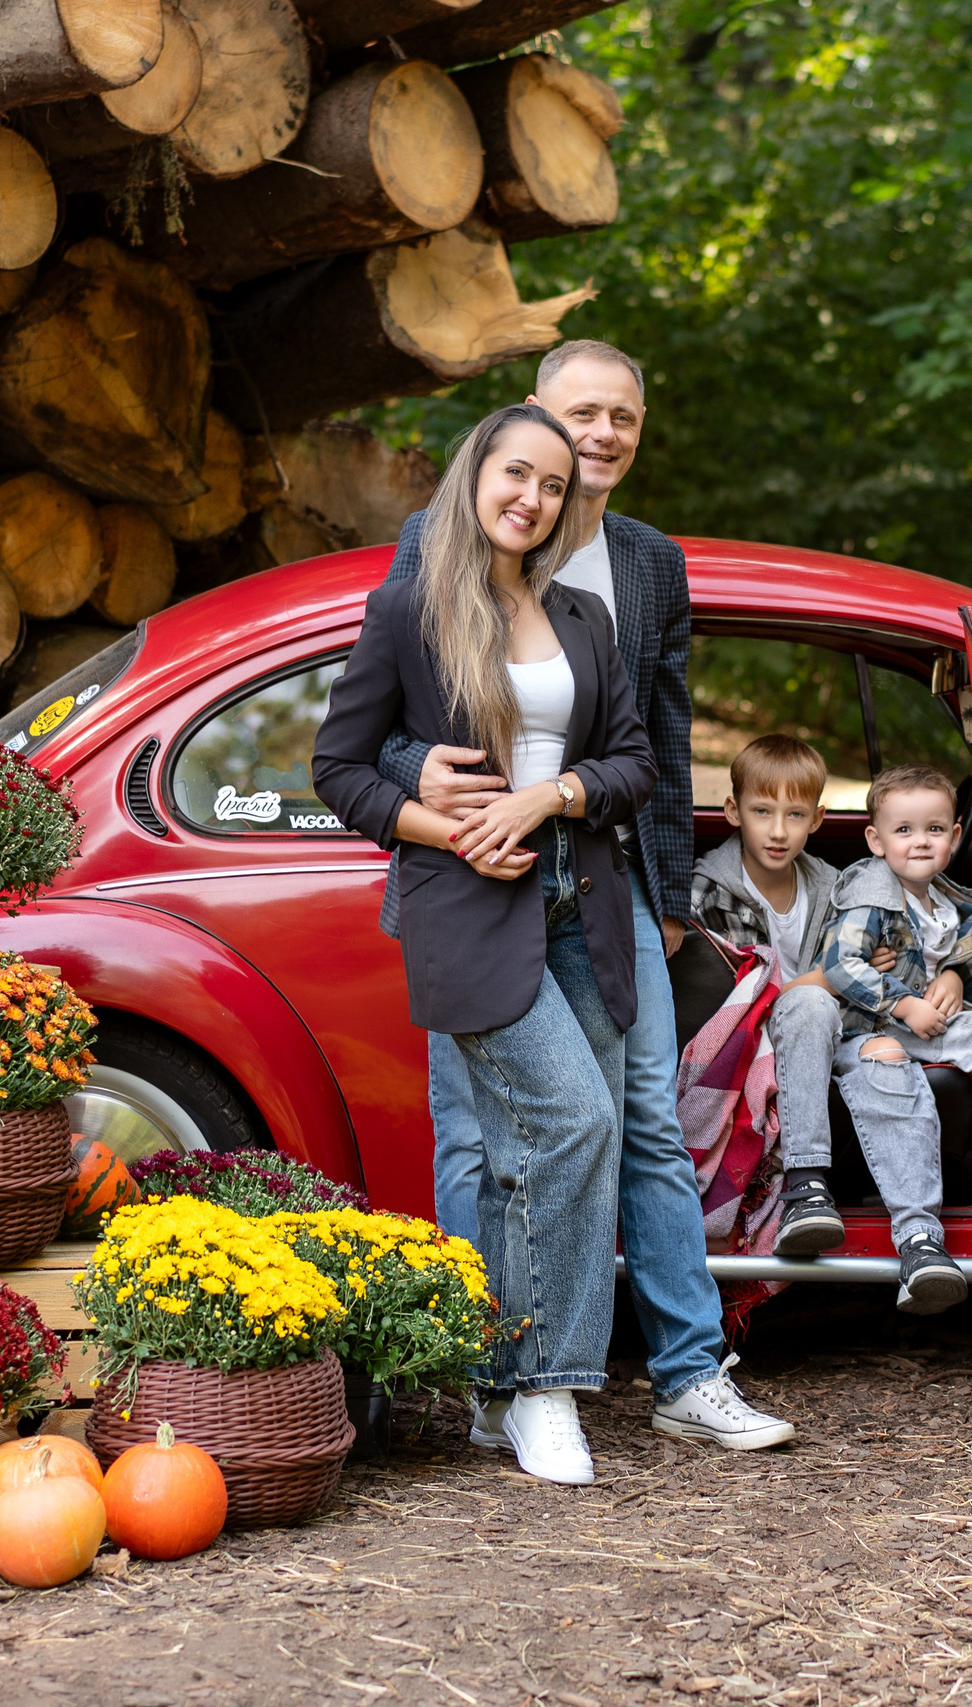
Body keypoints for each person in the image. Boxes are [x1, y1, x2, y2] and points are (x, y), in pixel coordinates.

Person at [372, 341, 792, 1454]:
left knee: (643, 1122)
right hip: (476, 887)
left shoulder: (649, 564)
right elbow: (386, 716)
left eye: (621, 419)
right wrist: (418, 778)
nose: (597, 436)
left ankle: (690, 1373)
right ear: (524, 428)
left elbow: (658, 737)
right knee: (477, 1142)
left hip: (610, 892)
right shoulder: (439, 541)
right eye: (576, 417)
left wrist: (663, 895)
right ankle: (487, 1375)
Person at [310, 403, 653, 1485]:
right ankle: (547, 1390)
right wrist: (449, 822)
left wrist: (550, 794)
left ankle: (495, 1389)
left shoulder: (585, 618)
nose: (532, 497)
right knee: (578, 1124)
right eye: (517, 473)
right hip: (469, 910)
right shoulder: (409, 609)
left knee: (538, 1162)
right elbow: (338, 769)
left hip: (579, 905)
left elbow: (633, 762)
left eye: (552, 485)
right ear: (476, 476)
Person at [819, 765, 972, 1315]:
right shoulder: (869, 898)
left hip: (936, 1022)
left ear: (954, 837)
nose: (919, 841)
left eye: (933, 829)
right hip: (878, 1025)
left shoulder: (953, 903)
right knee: (971, 1058)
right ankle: (961, 1196)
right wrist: (904, 1002)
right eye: (903, 831)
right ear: (876, 841)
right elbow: (840, 967)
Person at [685, 734, 852, 1256]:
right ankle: (806, 1185)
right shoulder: (705, 890)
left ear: (819, 818)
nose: (779, 832)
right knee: (810, 1001)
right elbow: (729, 1001)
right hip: (746, 1041)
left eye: (796, 815)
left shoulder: (836, 887)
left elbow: (874, 967)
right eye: (762, 811)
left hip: (828, 1033)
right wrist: (828, 978)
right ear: (733, 811)